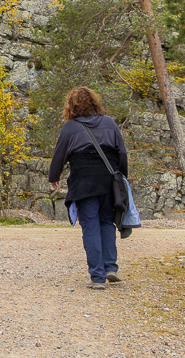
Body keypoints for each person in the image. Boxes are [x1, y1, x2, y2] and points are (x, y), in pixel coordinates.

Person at [47, 86, 128, 290]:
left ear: (71, 105)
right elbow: (122, 153)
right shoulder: (109, 123)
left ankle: (98, 277)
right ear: (94, 102)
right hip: (108, 181)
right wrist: (122, 178)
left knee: (90, 225)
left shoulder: (70, 127)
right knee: (106, 223)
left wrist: (53, 177)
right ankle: (111, 267)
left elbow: (60, 154)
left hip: (83, 181)